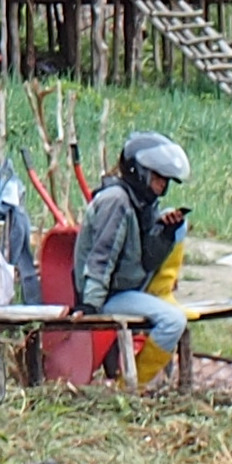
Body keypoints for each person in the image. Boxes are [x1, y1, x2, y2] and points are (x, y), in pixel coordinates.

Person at [70, 131, 194, 376]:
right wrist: (91, 305)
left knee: (179, 225)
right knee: (174, 322)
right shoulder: (116, 201)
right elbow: (101, 258)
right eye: (159, 178)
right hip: (108, 296)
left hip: (130, 286)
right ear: (140, 172)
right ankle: (132, 386)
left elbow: (147, 259)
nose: (163, 185)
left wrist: (166, 234)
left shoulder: (143, 202)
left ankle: (162, 294)